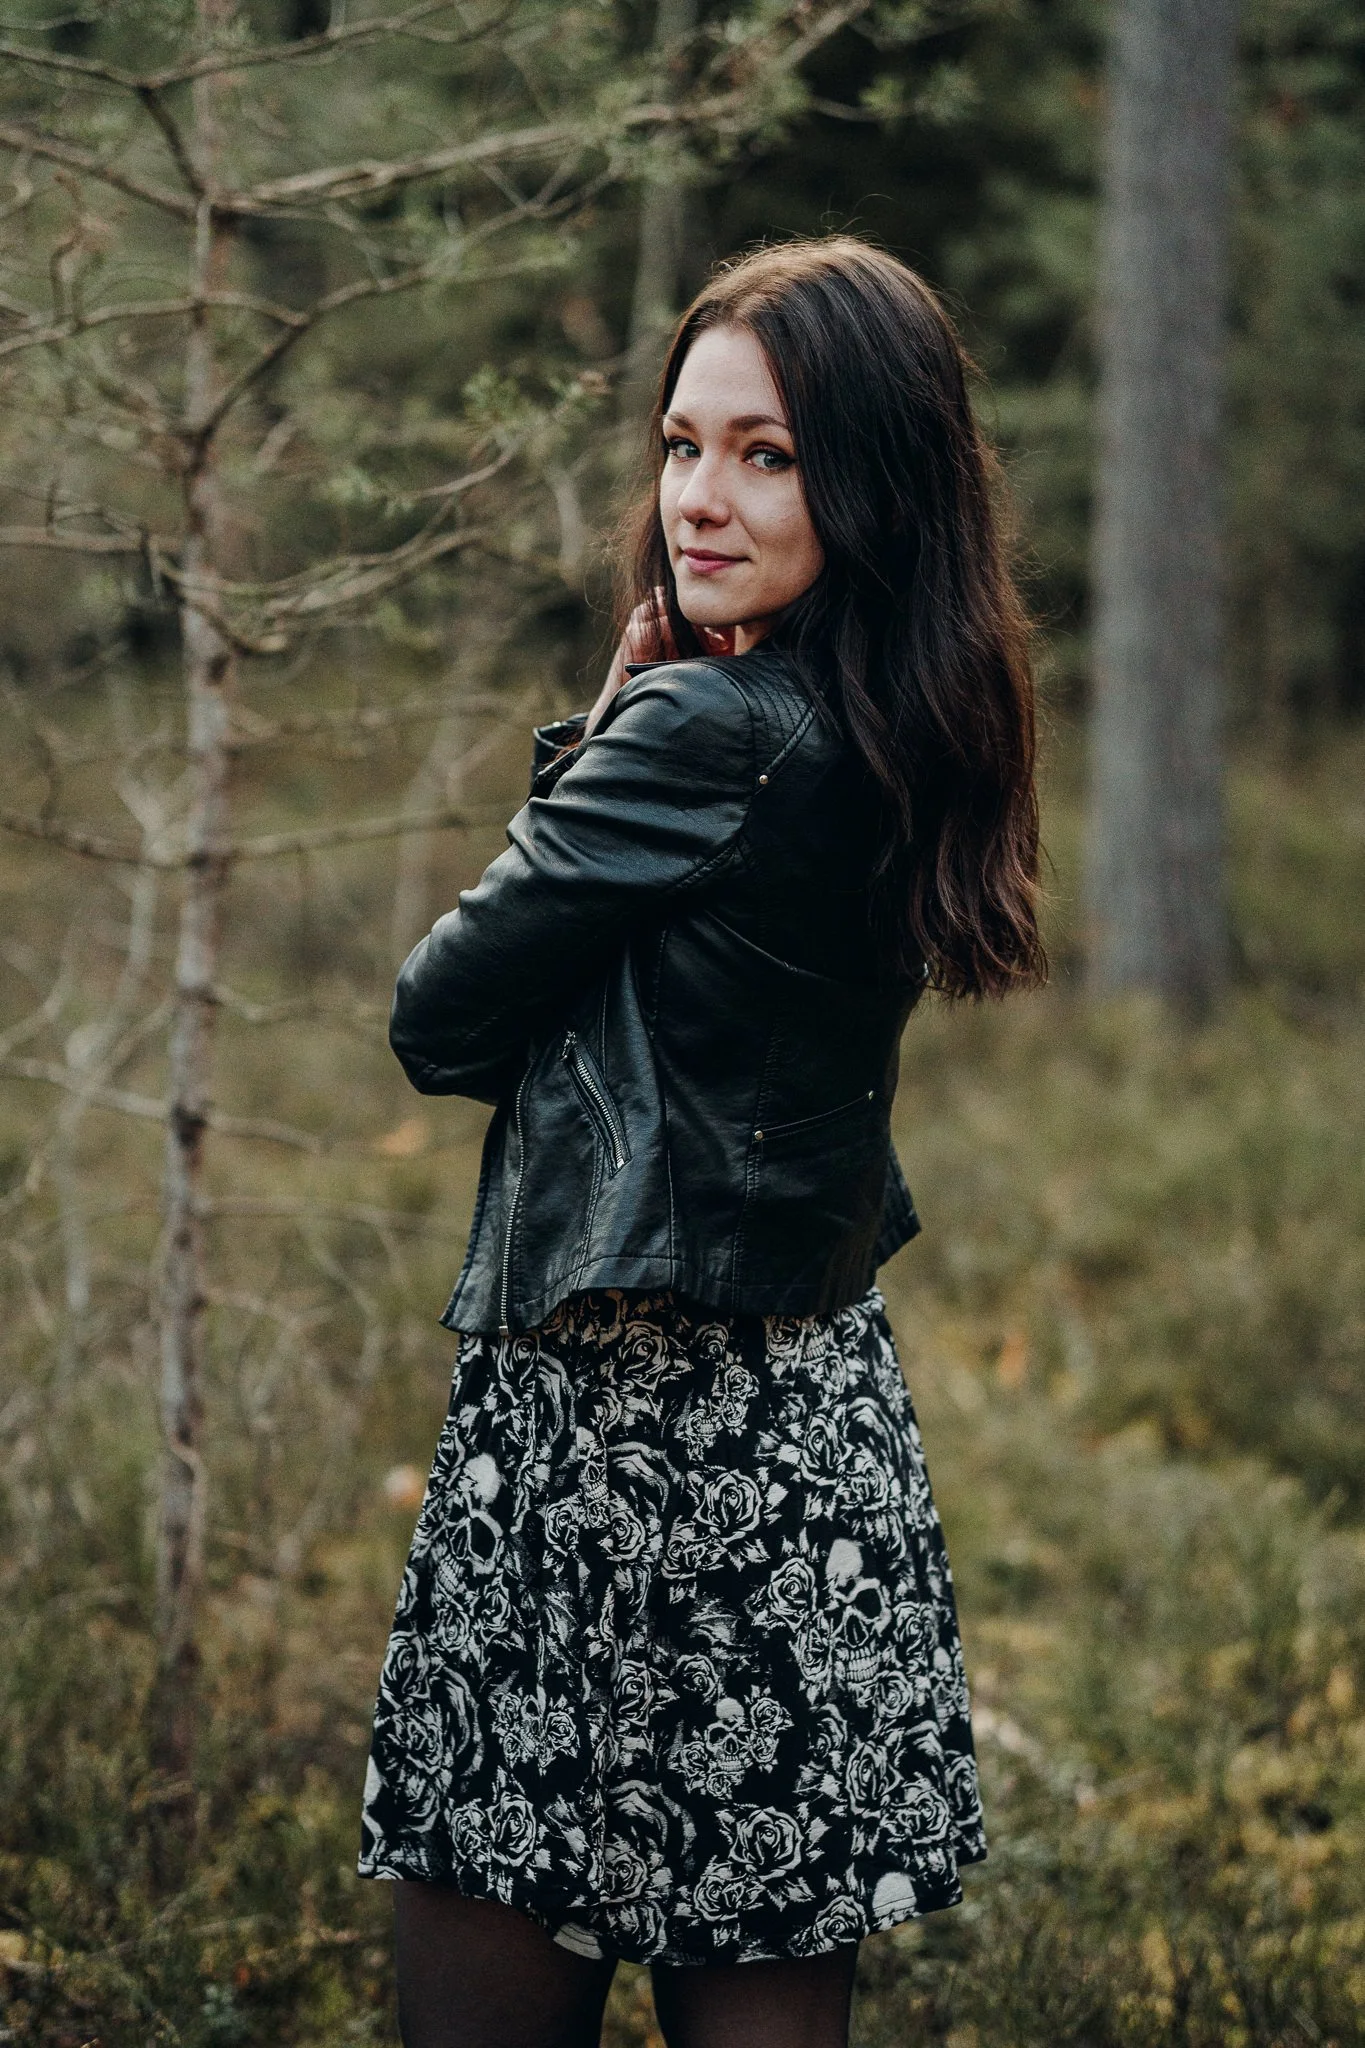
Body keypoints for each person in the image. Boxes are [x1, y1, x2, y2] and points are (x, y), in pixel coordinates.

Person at [357, 235, 1045, 2048]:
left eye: (769, 454)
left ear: (872, 478)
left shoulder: (699, 722)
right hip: (806, 1441)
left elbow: (441, 1018)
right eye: (682, 445)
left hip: (606, 1443)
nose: (701, 499)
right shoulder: (911, 718)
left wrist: (605, 720)